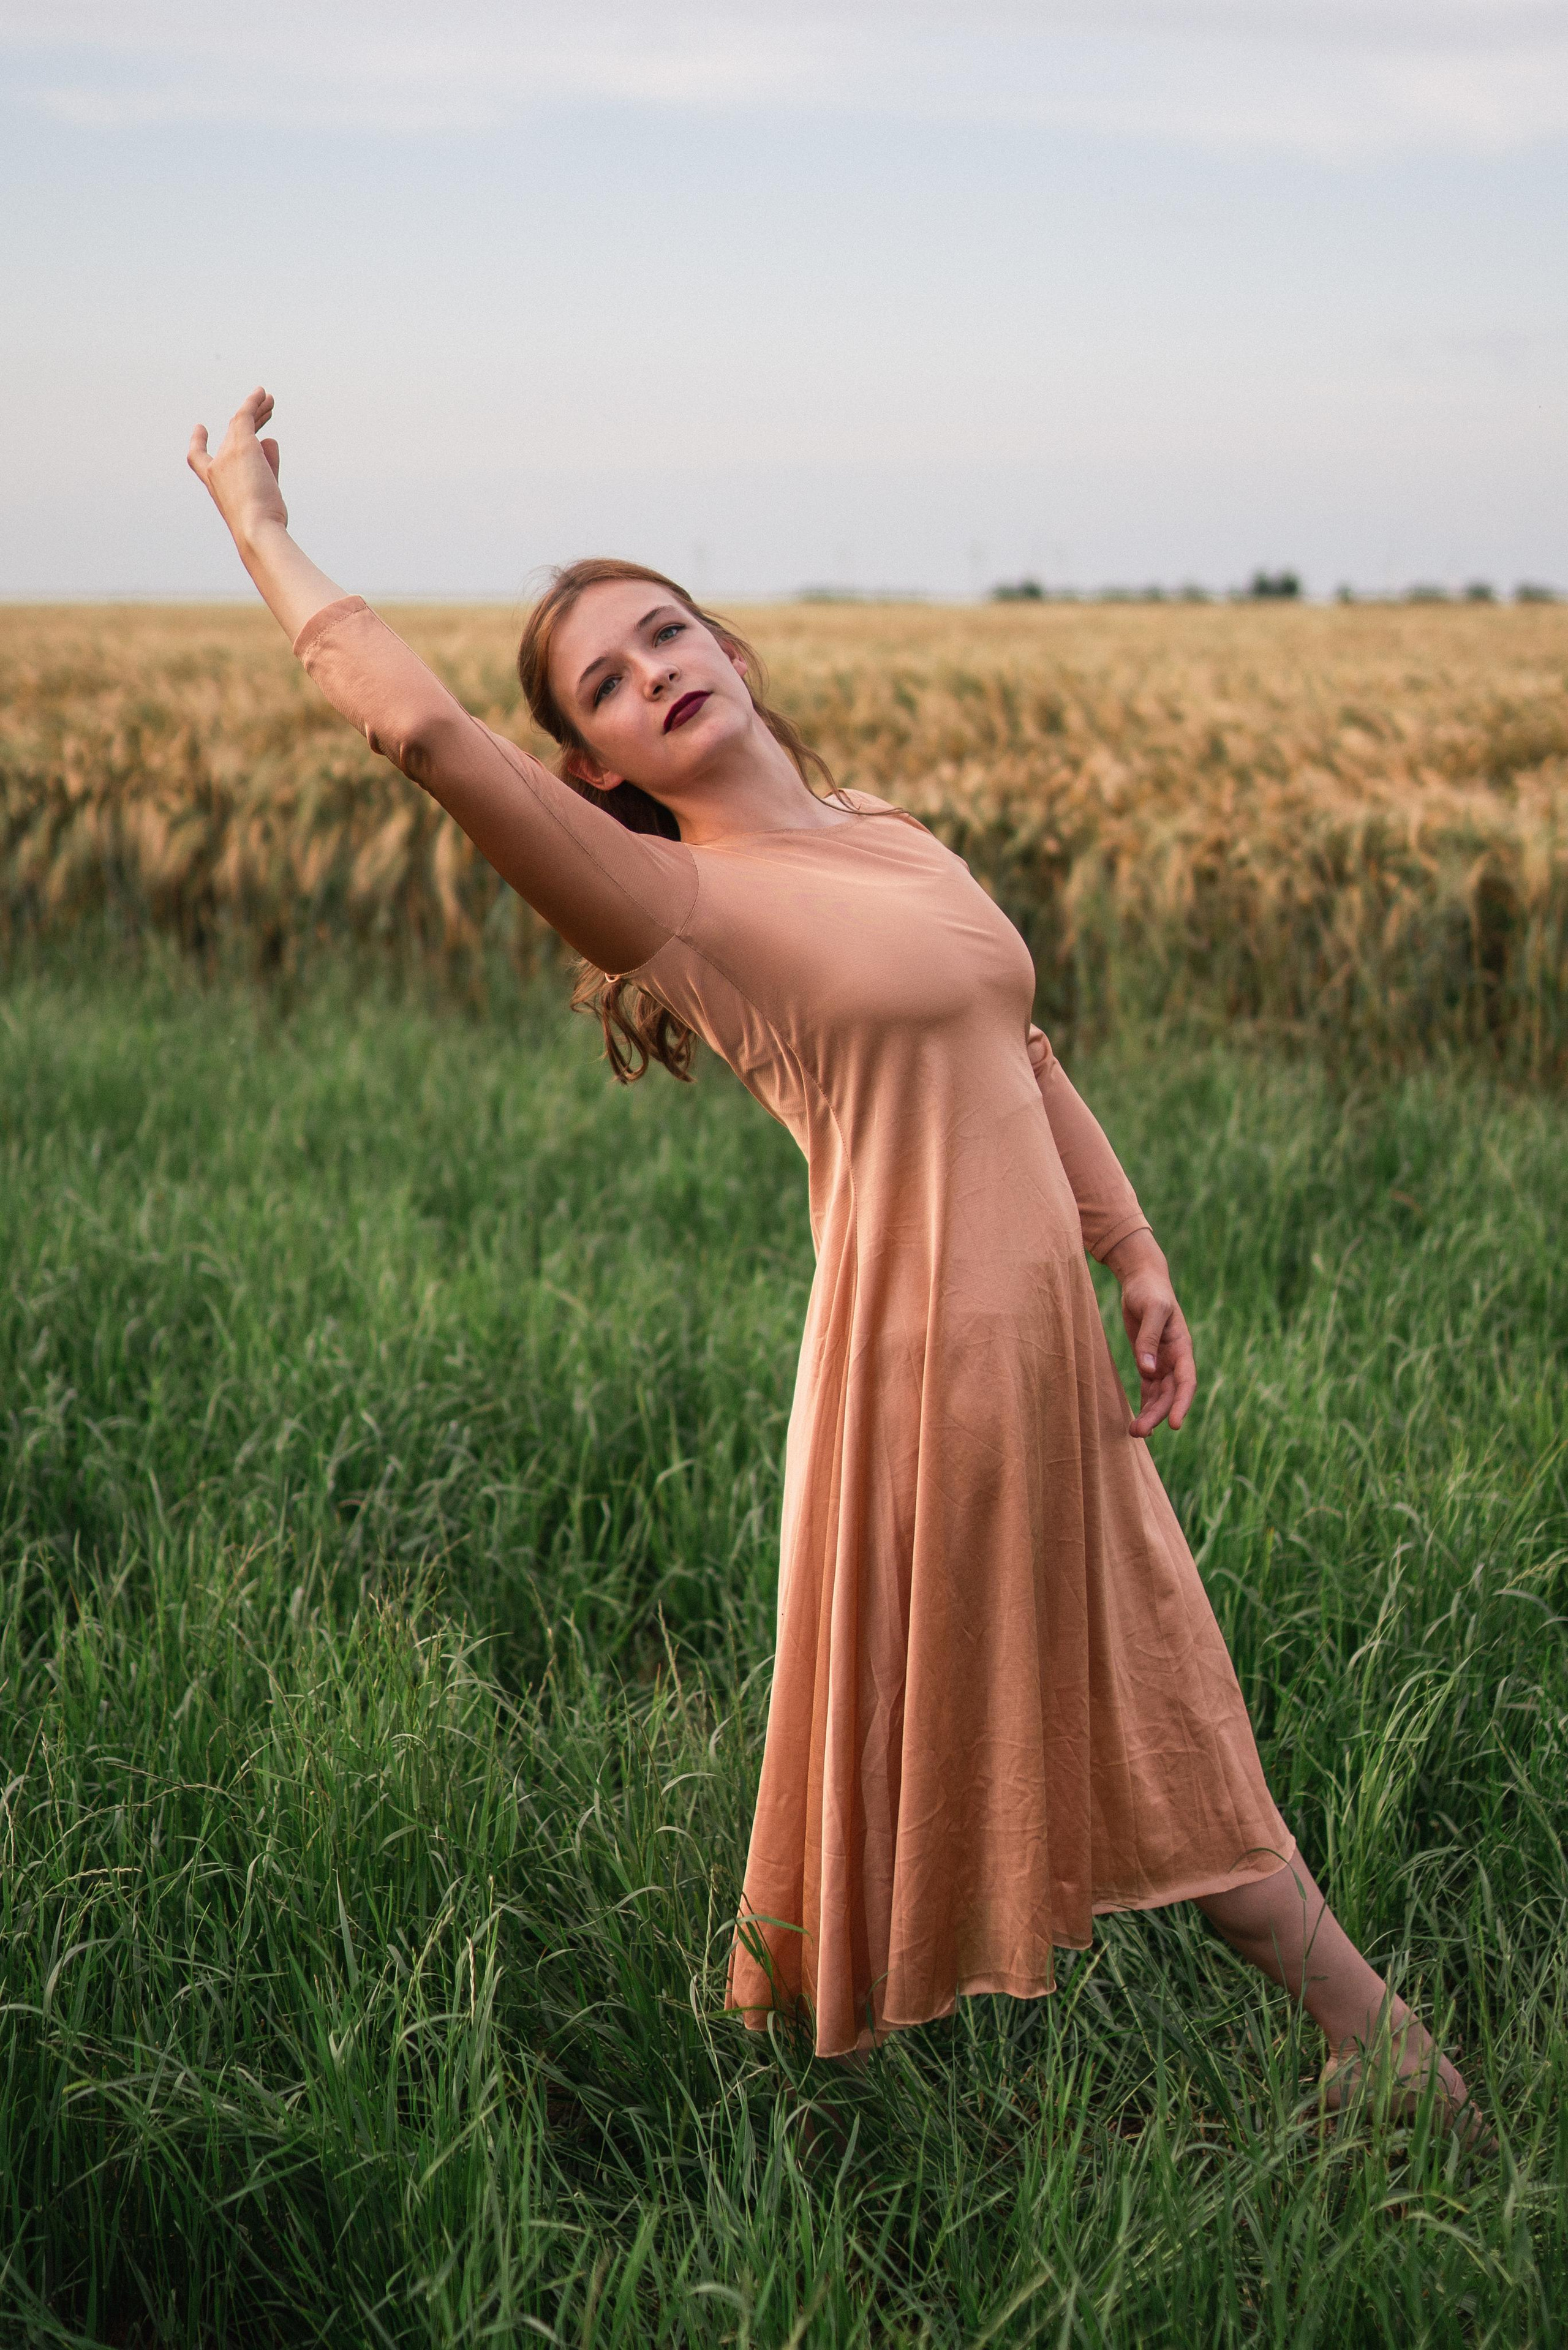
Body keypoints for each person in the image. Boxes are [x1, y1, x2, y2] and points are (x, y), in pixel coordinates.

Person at [189, 388, 1488, 2142]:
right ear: (598, 770)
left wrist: (1139, 1251)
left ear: (724, 641)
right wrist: (258, 524)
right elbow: (423, 738)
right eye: (607, 685)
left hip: (1035, 1348)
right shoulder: (677, 904)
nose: (652, 671)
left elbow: (1018, 1049)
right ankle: (1358, 2042)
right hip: (924, 1376)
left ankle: (865, 2086)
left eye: (664, 632)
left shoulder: (885, 831)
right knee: (1131, 1695)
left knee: (1112, 1701)